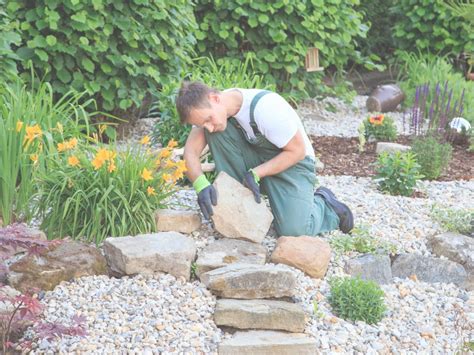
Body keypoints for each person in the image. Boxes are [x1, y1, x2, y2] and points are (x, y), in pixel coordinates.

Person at [176, 81, 354, 237]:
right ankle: (242, 204)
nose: (208, 127)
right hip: (257, 161)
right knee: (215, 132)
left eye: (208, 119)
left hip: (293, 164)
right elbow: (191, 152)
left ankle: (325, 204)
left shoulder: (266, 108)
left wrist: (257, 173)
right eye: (202, 124)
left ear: (214, 98)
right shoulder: (212, 111)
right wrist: (201, 185)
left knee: (294, 230)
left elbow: (297, 151)